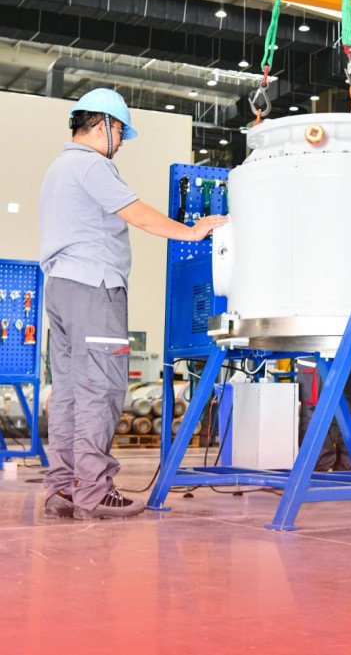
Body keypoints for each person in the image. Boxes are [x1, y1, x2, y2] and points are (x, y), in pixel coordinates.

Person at [38, 88, 227, 520]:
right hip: (95, 286)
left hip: (61, 289)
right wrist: (191, 231)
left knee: (69, 392)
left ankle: (63, 488)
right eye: (121, 131)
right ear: (104, 124)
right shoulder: (92, 164)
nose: (122, 141)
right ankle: (93, 492)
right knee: (100, 389)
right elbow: (136, 212)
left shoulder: (58, 168)